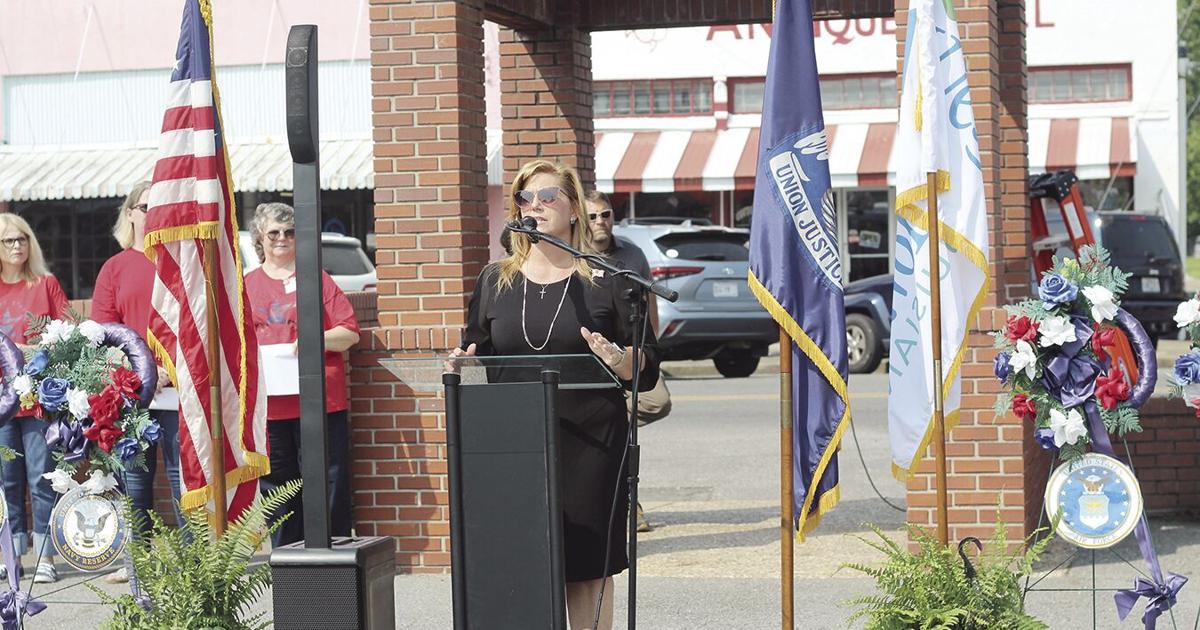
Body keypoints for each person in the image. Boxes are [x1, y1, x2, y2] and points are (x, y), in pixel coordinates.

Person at [451, 160, 661, 630]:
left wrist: (619, 359)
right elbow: (479, 353)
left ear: (573, 209)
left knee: (585, 570)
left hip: (590, 442)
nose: (535, 206)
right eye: (525, 198)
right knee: (522, 562)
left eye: (547, 196)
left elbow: (645, 366)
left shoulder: (607, 280)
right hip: (515, 444)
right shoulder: (495, 280)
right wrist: (463, 366)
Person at [244, 202, 360, 548]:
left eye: (289, 232)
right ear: (260, 239)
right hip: (271, 407)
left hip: (320, 402)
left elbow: (349, 333)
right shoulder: (246, 285)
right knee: (278, 488)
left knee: (329, 481)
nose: (282, 238)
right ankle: (286, 560)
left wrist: (314, 339)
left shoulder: (317, 279)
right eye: (274, 233)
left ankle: (336, 553)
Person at [91, 180, 186, 584]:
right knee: (135, 479)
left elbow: (198, 329)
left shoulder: (183, 262)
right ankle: (137, 562)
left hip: (181, 391)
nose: (153, 213)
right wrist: (145, 373)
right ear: (130, 212)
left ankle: (193, 561)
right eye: (146, 206)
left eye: (160, 206)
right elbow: (102, 334)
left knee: (185, 479)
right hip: (133, 393)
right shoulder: (115, 267)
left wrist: (174, 372)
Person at [584, 190, 672, 534]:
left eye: (605, 214)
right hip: (590, 354)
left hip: (629, 353)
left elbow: (648, 302)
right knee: (613, 438)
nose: (600, 222)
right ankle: (627, 504)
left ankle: (607, 422)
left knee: (657, 401)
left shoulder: (632, 255)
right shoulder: (572, 255)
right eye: (592, 217)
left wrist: (651, 347)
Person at [0, 214, 68, 584]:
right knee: (6, 480)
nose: (17, 246)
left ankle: (45, 556)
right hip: (1, 401)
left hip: (39, 397)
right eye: (8, 241)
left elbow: (69, 334)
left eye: (22, 239)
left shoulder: (46, 283)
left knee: (41, 477)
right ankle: (10, 554)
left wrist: (37, 348)